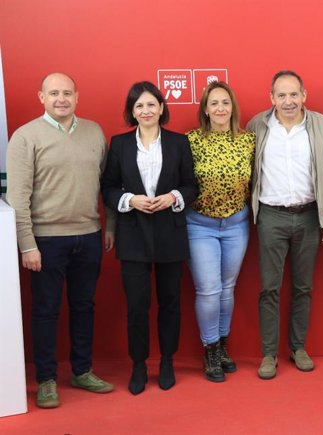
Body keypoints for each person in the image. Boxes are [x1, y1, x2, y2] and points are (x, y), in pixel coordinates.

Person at [6, 72, 115, 409]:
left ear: (77, 97)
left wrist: (110, 226)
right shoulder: (25, 137)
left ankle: (82, 370)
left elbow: (107, 185)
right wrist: (27, 243)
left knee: (84, 307)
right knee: (46, 312)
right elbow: (18, 196)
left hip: (89, 236)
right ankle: (46, 380)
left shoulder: (94, 132)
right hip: (46, 241)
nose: (61, 99)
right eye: (54, 93)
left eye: (67, 93)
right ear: (41, 97)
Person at [101, 81, 198, 395]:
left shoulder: (178, 143)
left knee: (170, 303)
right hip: (133, 235)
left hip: (170, 232)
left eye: (151, 105)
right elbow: (108, 187)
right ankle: (139, 364)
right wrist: (130, 200)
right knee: (137, 306)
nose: (146, 111)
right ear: (132, 111)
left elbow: (191, 186)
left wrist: (173, 197)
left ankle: (167, 360)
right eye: (139, 106)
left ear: (161, 108)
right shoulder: (119, 144)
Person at [247, 70, 323, 380]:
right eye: (281, 95)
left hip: (310, 214)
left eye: (293, 94)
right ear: (271, 98)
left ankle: (298, 347)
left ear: (304, 95)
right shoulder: (256, 127)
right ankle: (269, 353)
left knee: (303, 287)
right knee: (269, 288)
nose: (288, 101)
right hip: (271, 216)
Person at [186, 81, 255, 382]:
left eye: (225, 102)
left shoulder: (248, 141)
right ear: (205, 108)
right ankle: (210, 348)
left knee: (227, 288)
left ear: (233, 107)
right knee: (209, 290)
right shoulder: (190, 141)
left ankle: (223, 345)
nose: (220, 109)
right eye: (213, 103)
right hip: (200, 225)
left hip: (236, 225)